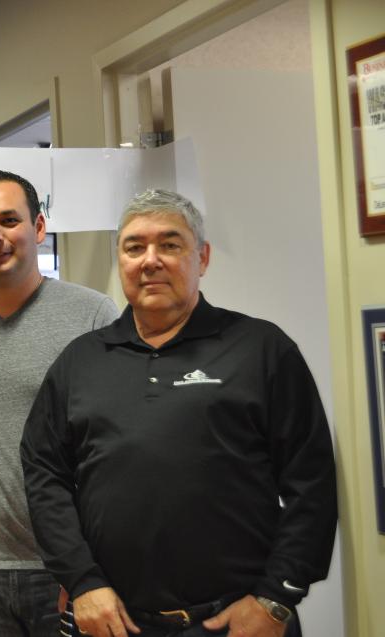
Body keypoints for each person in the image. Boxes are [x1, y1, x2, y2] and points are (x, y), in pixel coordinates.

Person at [21, 189, 338, 637]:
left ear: (202, 257)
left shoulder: (261, 349)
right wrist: (81, 580)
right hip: (112, 621)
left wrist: (276, 598)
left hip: (232, 622)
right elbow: (43, 474)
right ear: (120, 261)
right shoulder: (81, 361)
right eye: (134, 247)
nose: (150, 260)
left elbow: (313, 483)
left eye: (170, 245)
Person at [0, 170, 119, 636]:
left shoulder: (93, 315)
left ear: (38, 228)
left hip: (68, 566)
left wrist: (89, 565)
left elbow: (114, 450)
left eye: (9, 220)